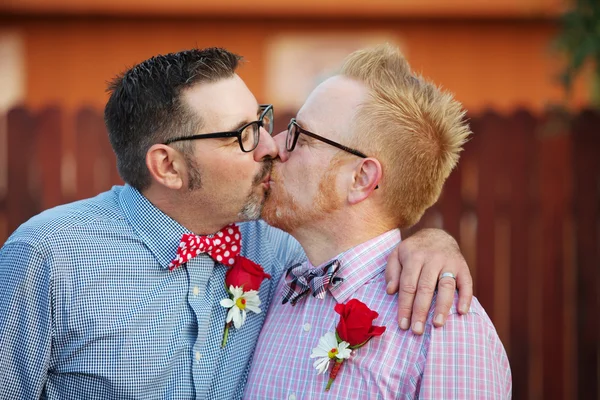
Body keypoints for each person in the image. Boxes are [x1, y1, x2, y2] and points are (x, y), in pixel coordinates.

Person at [0, 48, 472, 399]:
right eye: (241, 135)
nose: (270, 145)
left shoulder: (282, 254)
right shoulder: (48, 258)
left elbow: (356, 238)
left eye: (262, 120)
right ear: (168, 167)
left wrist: (434, 242)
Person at [245, 44, 511, 399]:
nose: (276, 146)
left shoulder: (445, 329)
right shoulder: (273, 278)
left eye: (301, 136)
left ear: (361, 178)